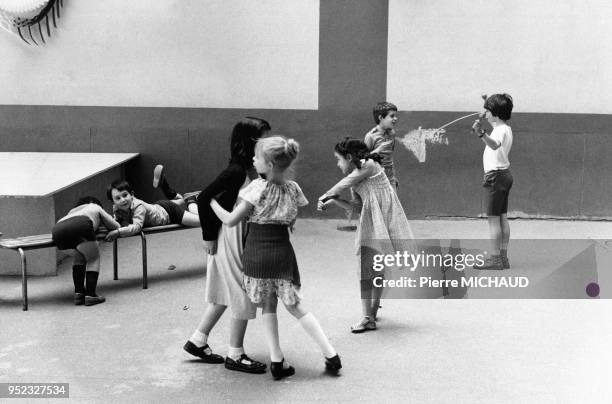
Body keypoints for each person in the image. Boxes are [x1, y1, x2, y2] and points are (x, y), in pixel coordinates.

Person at [210, 136, 342, 380]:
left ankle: (276, 360)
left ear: (269, 164)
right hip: (282, 254)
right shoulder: (294, 188)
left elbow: (230, 221)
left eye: (257, 157)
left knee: (268, 305)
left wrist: (211, 203)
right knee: (295, 305)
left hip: (257, 257)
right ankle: (330, 352)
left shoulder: (255, 189)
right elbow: (292, 219)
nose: (252, 159)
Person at [182, 117, 270, 373]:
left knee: (223, 293)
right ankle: (236, 354)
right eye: (263, 136)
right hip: (230, 236)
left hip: (234, 233)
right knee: (242, 292)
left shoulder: (249, 168)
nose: (267, 141)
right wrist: (208, 236)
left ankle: (198, 340)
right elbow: (204, 198)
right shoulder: (236, 171)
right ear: (250, 141)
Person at [318, 138, 414, 332]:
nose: (338, 164)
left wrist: (326, 196)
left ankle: (369, 316)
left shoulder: (370, 165)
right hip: (370, 223)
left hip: (385, 221)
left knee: (376, 269)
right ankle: (369, 315)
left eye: (339, 159)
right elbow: (358, 207)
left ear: (349, 157)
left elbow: (345, 181)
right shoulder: (358, 179)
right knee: (368, 269)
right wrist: (335, 201)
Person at [471, 94, 514, 270]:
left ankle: (495, 258)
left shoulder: (498, 131)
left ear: (495, 113)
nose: (485, 114)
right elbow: (495, 138)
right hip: (504, 175)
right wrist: (486, 110)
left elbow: (494, 145)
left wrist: (480, 132)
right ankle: (503, 257)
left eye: (487, 111)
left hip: (495, 177)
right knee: (502, 217)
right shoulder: (505, 128)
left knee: (493, 220)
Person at [51, 196, 120, 306]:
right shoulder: (94, 207)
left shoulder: (71, 212)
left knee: (79, 257)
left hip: (57, 230)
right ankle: (91, 295)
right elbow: (116, 226)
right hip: (81, 224)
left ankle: (78, 294)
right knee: (93, 258)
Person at [104, 179, 201, 241]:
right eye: (118, 198)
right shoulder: (116, 208)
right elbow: (117, 221)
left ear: (132, 194)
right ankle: (178, 196)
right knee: (175, 203)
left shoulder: (138, 206)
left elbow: (137, 227)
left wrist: (118, 232)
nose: (123, 200)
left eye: (125, 195)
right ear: (112, 201)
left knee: (202, 221)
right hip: (158, 207)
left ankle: (190, 200)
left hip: (170, 213)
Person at [364, 101, 399, 189]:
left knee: (393, 202)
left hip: (390, 176)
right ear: (380, 117)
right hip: (376, 177)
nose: (395, 118)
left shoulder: (392, 133)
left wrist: (393, 176)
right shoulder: (371, 136)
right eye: (392, 116)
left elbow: (389, 157)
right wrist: (379, 149)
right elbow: (364, 159)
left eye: (395, 116)